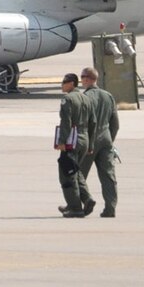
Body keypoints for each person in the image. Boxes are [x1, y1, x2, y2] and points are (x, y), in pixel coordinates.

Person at [69, 66, 120, 218]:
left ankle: (78, 206)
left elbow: (79, 121)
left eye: (82, 77)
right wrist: (109, 140)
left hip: (89, 140)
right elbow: (115, 124)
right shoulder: (108, 96)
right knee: (108, 176)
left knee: (78, 174)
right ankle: (110, 209)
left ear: (87, 79)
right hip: (106, 139)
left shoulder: (84, 98)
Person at [54, 72, 88, 216]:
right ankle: (87, 199)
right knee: (76, 171)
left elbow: (66, 122)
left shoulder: (67, 99)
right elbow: (92, 121)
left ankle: (75, 208)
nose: (62, 85)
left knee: (67, 175)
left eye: (64, 82)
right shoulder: (85, 98)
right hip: (84, 139)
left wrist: (62, 141)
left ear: (72, 84)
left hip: (71, 141)